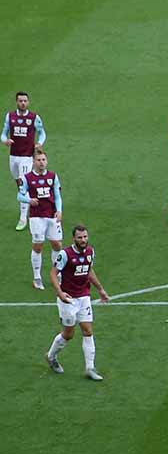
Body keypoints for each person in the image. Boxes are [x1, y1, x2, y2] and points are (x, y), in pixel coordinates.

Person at [46, 224, 110, 380]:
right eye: (80, 237)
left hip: (84, 297)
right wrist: (60, 293)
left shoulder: (90, 252)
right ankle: (51, 356)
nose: (83, 240)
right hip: (68, 299)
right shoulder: (65, 254)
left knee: (88, 331)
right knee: (69, 334)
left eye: (85, 237)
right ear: (74, 238)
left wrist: (100, 289)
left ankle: (90, 368)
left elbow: (89, 271)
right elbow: (53, 273)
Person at [16, 149, 62, 290]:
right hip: (36, 217)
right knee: (38, 246)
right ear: (34, 162)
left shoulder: (53, 176)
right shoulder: (26, 178)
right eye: (39, 160)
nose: (42, 162)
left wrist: (59, 210)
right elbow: (20, 196)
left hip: (52, 215)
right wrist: (29, 200)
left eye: (43, 160)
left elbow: (58, 196)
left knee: (57, 245)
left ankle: (58, 274)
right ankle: (37, 278)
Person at [3, 91, 46, 230]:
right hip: (13, 156)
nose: (23, 103)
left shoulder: (34, 117)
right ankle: (33, 203)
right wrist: (5, 140)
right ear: (17, 102)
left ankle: (23, 219)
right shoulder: (10, 116)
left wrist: (39, 143)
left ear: (28, 102)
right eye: (20, 101)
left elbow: (42, 133)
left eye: (25, 101)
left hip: (27, 157)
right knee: (19, 183)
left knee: (22, 185)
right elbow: (3, 134)